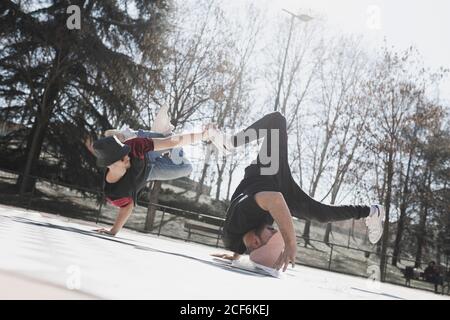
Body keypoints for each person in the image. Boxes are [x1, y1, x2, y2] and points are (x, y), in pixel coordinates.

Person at [209, 112, 385, 272]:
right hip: (283, 189)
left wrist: (290, 243)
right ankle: (373, 211)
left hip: (265, 173)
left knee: (277, 121)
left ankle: (229, 143)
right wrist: (236, 257)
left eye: (271, 233)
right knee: (321, 215)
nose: (273, 228)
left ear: (256, 241)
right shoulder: (237, 243)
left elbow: (275, 200)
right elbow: (242, 244)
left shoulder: (242, 215)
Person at [86, 106, 214, 236]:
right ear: (110, 166)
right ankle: (139, 135)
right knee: (187, 168)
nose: (127, 157)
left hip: (145, 155)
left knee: (164, 138)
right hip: (148, 173)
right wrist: (113, 230)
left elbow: (169, 142)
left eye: (124, 152)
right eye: (122, 158)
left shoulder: (133, 146)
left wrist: (203, 135)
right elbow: (127, 206)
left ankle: (130, 134)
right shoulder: (114, 193)